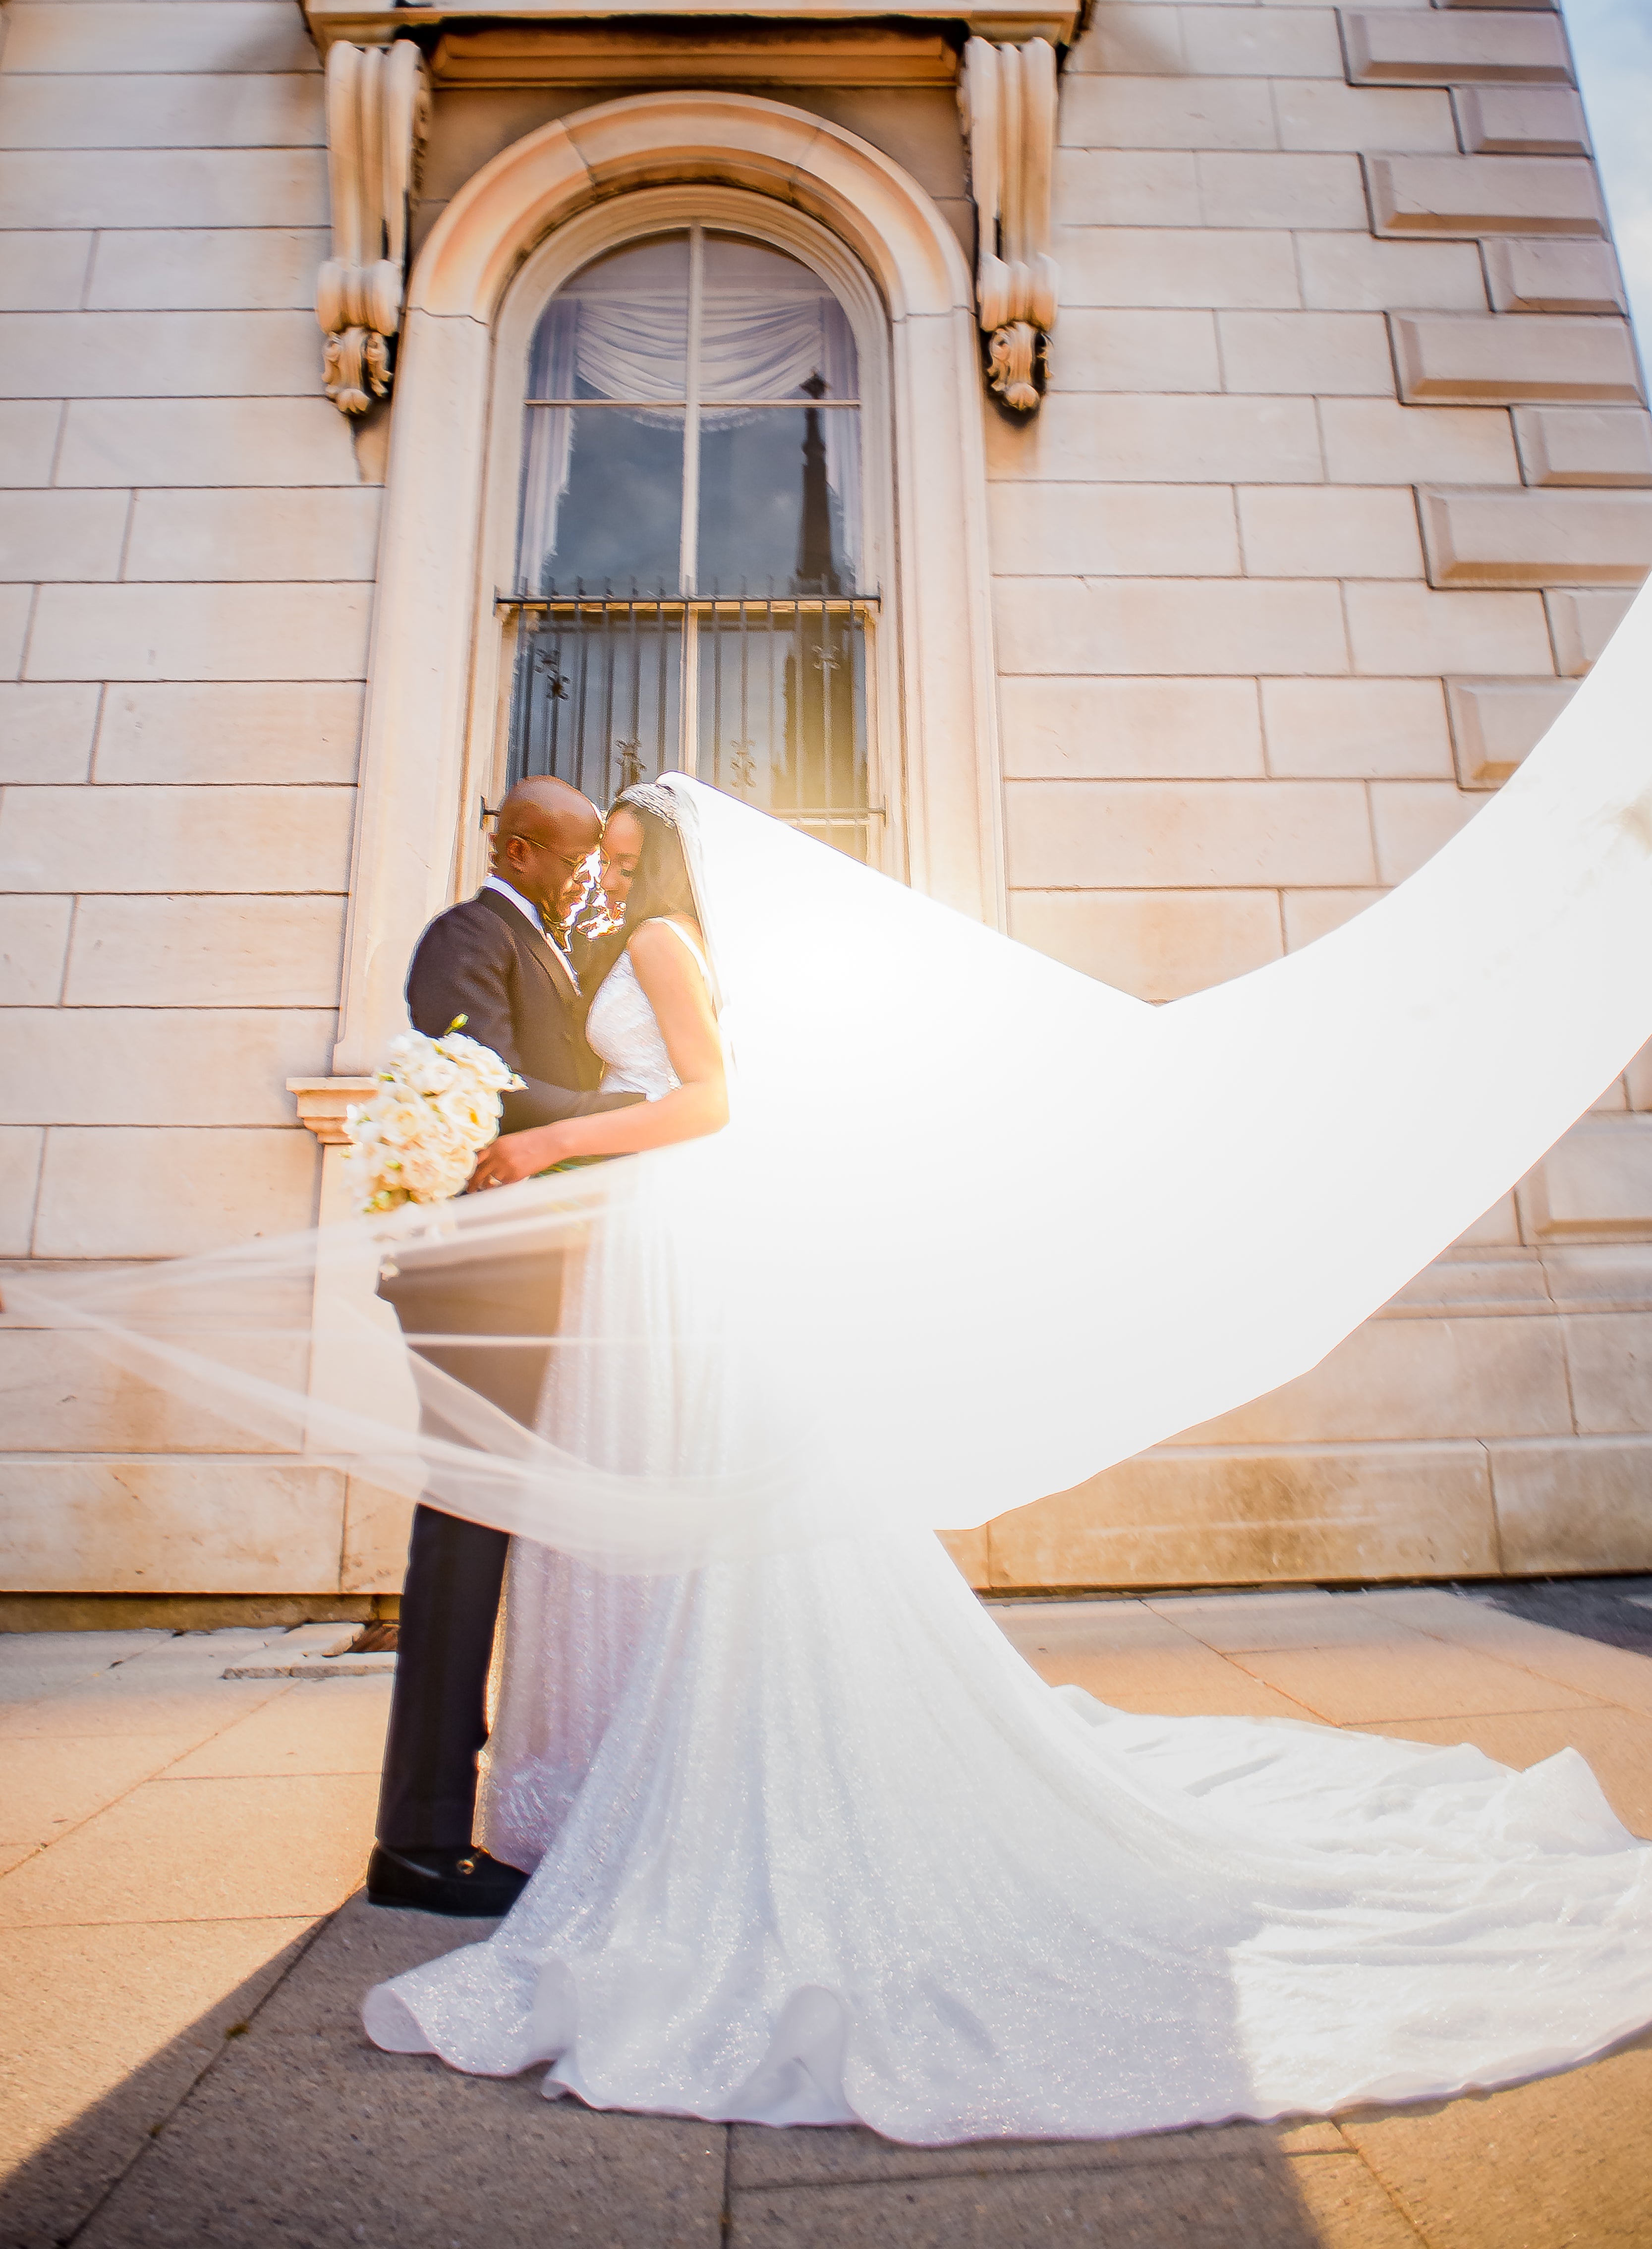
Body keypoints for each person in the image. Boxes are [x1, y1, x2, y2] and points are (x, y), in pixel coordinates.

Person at [361, 779, 1652, 2143]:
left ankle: (678, 1779)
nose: (609, 878)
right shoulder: (600, 946)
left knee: (701, 1520)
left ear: (668, 862)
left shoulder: (669, 948)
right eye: (600, 860)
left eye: (625, 857)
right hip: (629, 1255)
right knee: (632, 1517)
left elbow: (712, 1099)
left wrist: (552, 1138)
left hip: (664, 1246)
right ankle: (612, 1774)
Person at [366, 775, 644, 1917]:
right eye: (577, 857)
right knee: (465, 1529)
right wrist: (619, 1104)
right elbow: (475, 1080)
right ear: (522, 849)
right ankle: (420, 1839)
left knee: (495, 1529)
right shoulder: (465, 935)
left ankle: (464, 1808)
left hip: (528, 1271)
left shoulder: (539, 937)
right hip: (474, 1278)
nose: (587, 876)